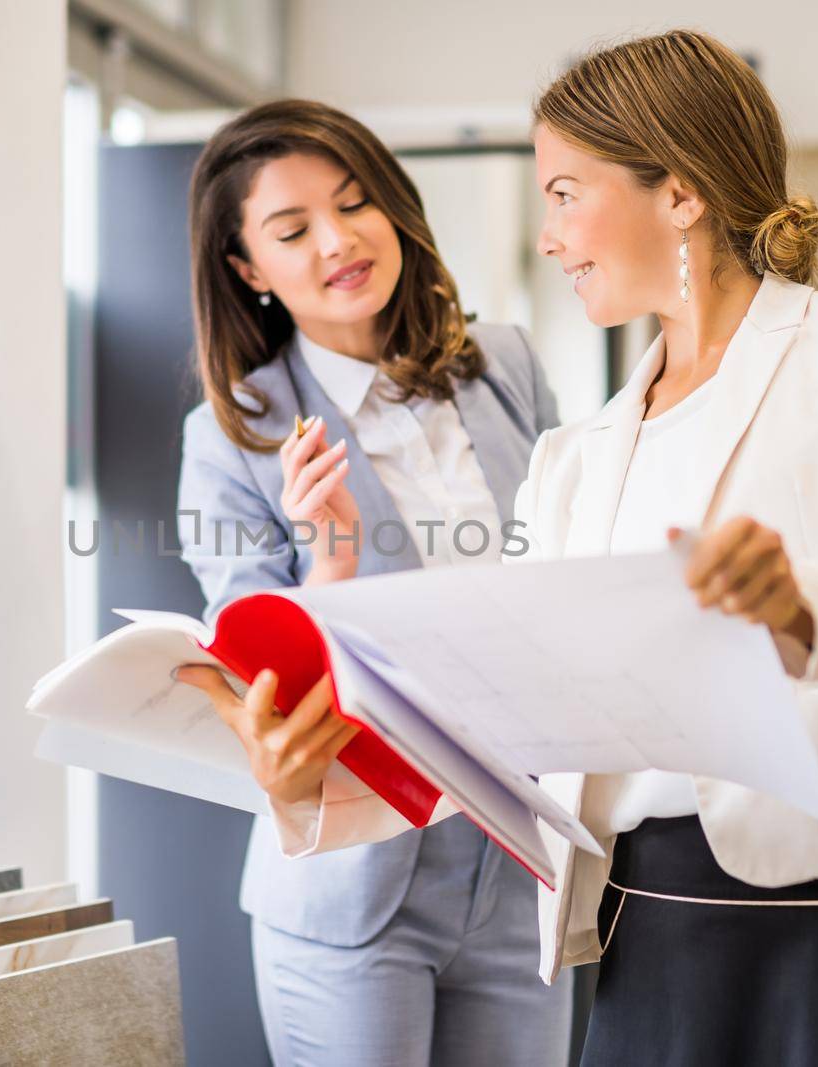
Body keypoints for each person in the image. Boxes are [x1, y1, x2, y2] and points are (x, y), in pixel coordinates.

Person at [185, 33, 818, 1067]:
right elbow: (489, 707)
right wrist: (306, 768)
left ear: (680, 194)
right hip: (643, 907)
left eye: (566, 193)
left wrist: (794, 603)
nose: (551, 235)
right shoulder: (577, 452)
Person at [173, 99, 571, 1066]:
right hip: (354, 884)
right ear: (247, 270)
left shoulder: (504, 364)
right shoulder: (232, 436)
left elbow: (564, 568)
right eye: (292, 229)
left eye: (355, 204)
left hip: (518, 863)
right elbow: (252, 675)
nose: (338, 241)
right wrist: (330, 560)